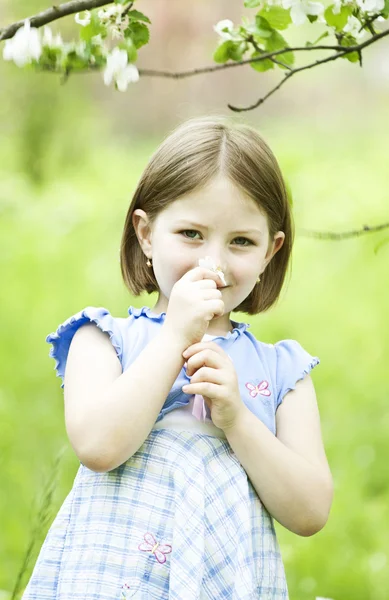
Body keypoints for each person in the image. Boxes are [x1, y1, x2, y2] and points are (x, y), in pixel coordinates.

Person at [22, 116, 333, 600]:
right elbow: (98, 446)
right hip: (115, 579)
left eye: (241, 241)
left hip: (223, 579)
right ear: (146, 234)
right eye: (191, 233)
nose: (214, 261)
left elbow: (311, 511)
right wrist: (173, 340)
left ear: (270, 251)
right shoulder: (104, 340)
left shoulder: (282, 372)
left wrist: (238, 419)